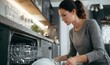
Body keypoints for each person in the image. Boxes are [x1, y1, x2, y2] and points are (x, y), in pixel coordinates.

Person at [53, 0, 110, 65]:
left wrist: (76, 59)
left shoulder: (91, 24)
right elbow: (71, 54)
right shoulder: (71, 32)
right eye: (61, 16)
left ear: (73, 11)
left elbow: (100, 52)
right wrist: (54, 59)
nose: (62, 19)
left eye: (64, 15)